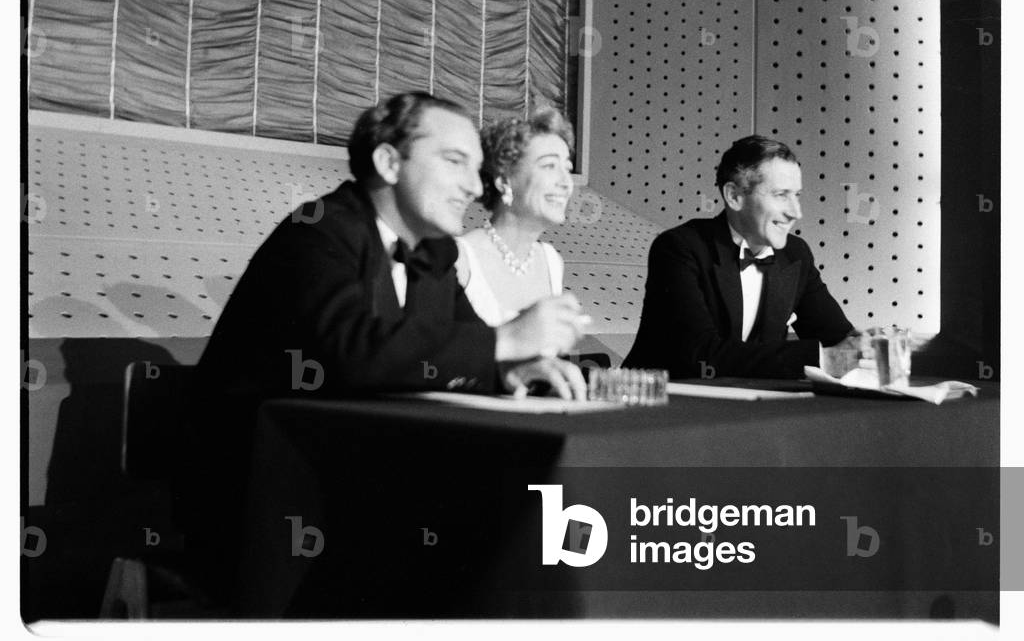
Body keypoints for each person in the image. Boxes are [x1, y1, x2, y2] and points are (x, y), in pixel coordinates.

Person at [181, 92, 587, 602]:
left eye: (476, 167)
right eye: (454, 161)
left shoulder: (434, 253)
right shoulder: (317, 231)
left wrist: (509, 371)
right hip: (264, 500)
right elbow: (350, 353)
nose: (472, 185)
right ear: (389, 162)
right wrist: (506, 340)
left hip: (367, 485)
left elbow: (453, 348)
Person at [624, 135, 870, 380]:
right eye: (781, 195)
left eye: (797, 195)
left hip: (752, 401)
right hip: (658, 399)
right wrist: (823, 359)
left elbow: (837, 338)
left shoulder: (796, 254)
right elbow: (700, 354)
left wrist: (867, 346)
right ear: (734, 196)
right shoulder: (679, 248)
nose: (796, 212)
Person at [456, 107, 579, 328]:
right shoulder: (460, 259)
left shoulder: (552, 261)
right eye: (549, 166)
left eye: (568, 168)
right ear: (504, 181)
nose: (565, 182)